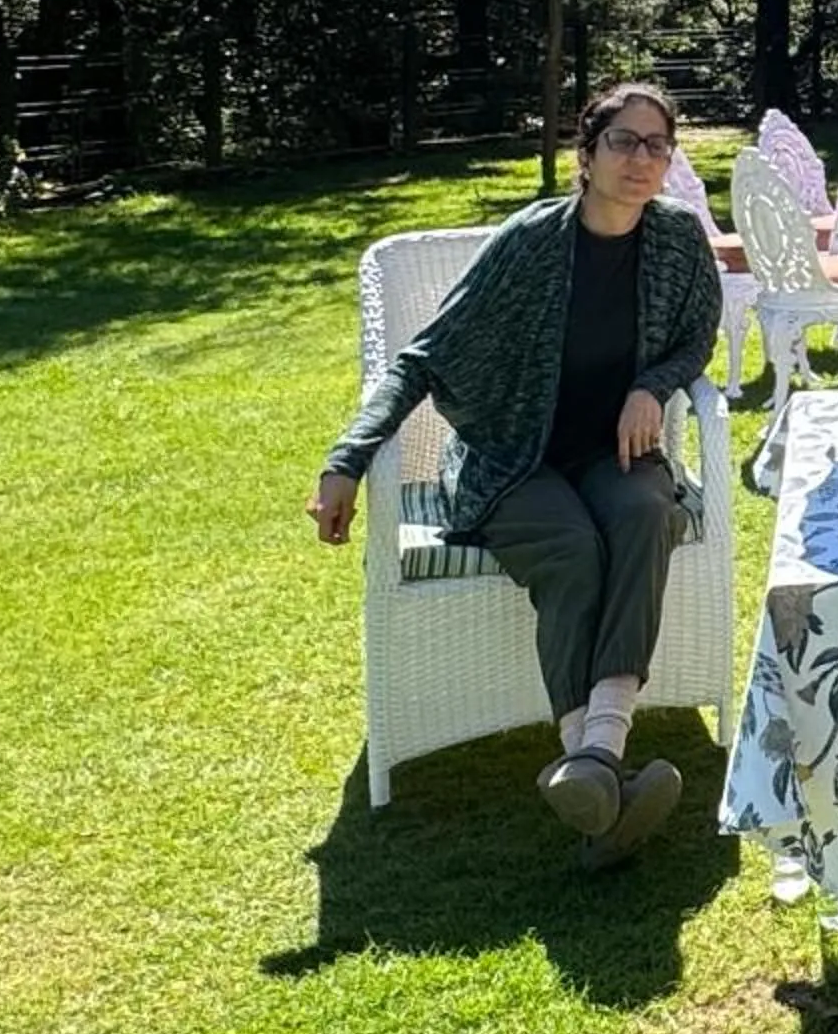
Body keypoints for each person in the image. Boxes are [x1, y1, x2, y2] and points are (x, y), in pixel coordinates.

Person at [308, 80, 724, 867]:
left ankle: (592, 762)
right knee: (569, 548)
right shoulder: (533, 245)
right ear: (587, 153)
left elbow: (694, 339)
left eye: (657, 145)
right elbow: (421, 360)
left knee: (646, 515)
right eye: (624, 142)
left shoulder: (676, 240)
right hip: (511, 458)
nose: (642, 160)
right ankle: (601, 767)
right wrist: (347, 462)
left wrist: (652, 385)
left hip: (615, 452)